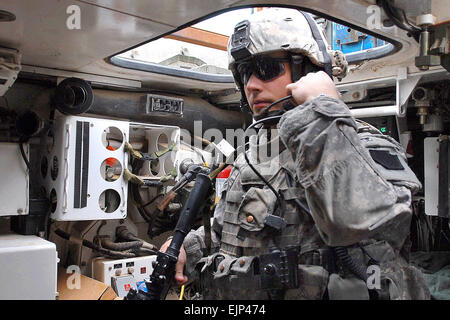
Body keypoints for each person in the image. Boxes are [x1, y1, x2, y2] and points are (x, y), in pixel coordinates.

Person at [160, 8, 430, 300]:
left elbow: (366, 224)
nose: (251, 84)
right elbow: (233, 231)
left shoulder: (363, 146)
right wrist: (190, 247)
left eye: (265, 69)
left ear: (307, 70)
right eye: (244, 72)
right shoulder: (252, 155)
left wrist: (321, 108)